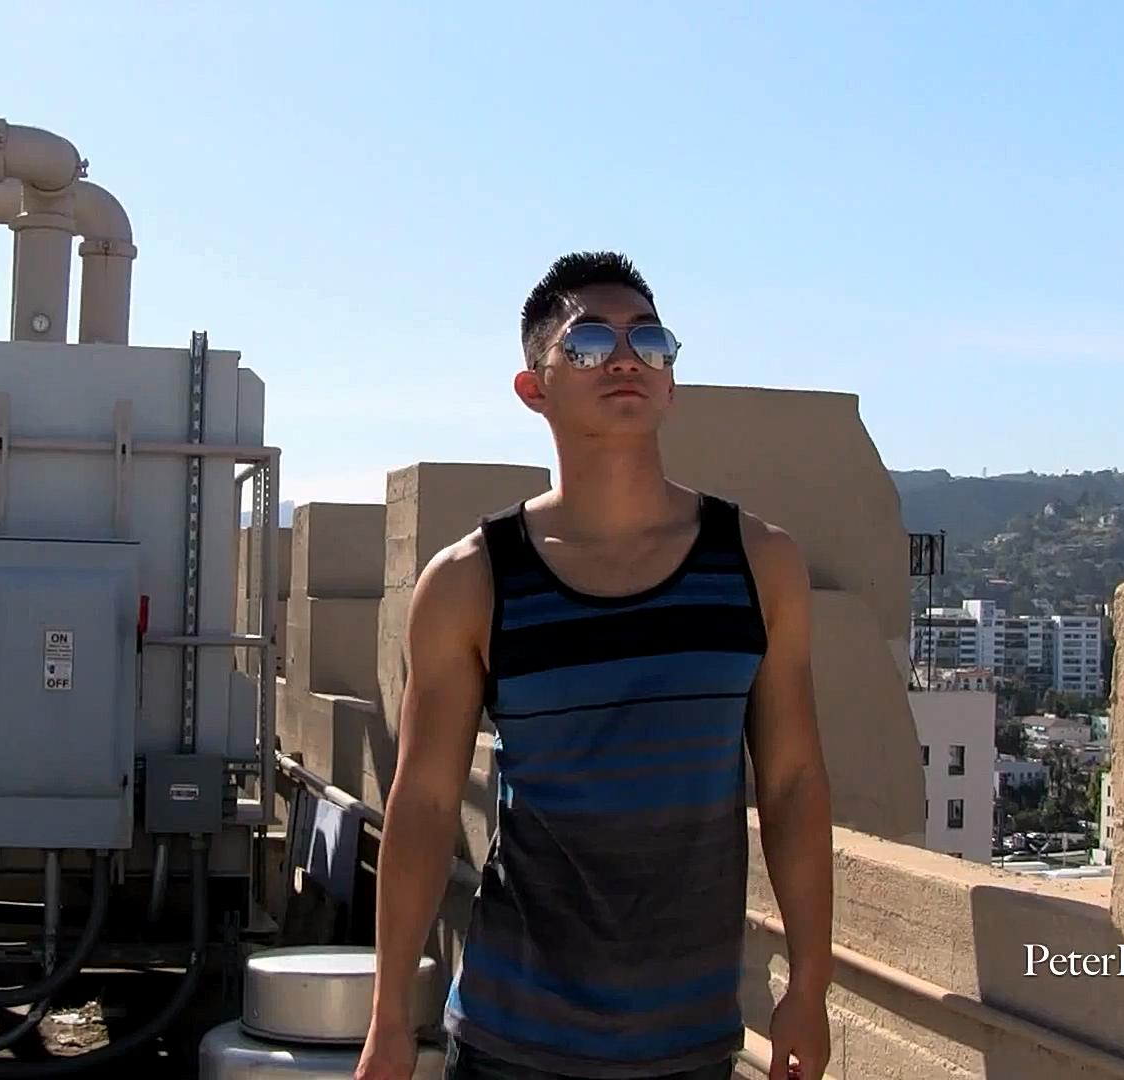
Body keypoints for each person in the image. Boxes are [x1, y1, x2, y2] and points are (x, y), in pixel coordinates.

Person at [354, 252, 833, 1080]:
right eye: (587, 344)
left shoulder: (758, 563)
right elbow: (426, 800)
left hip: (690, 1042)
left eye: (649, 340)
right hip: (511, 1039)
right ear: (533, 388)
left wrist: (810, 982)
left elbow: (792, 782)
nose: (624, 358)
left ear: (671, 381)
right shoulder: (472, 581)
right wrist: (389, 1017)